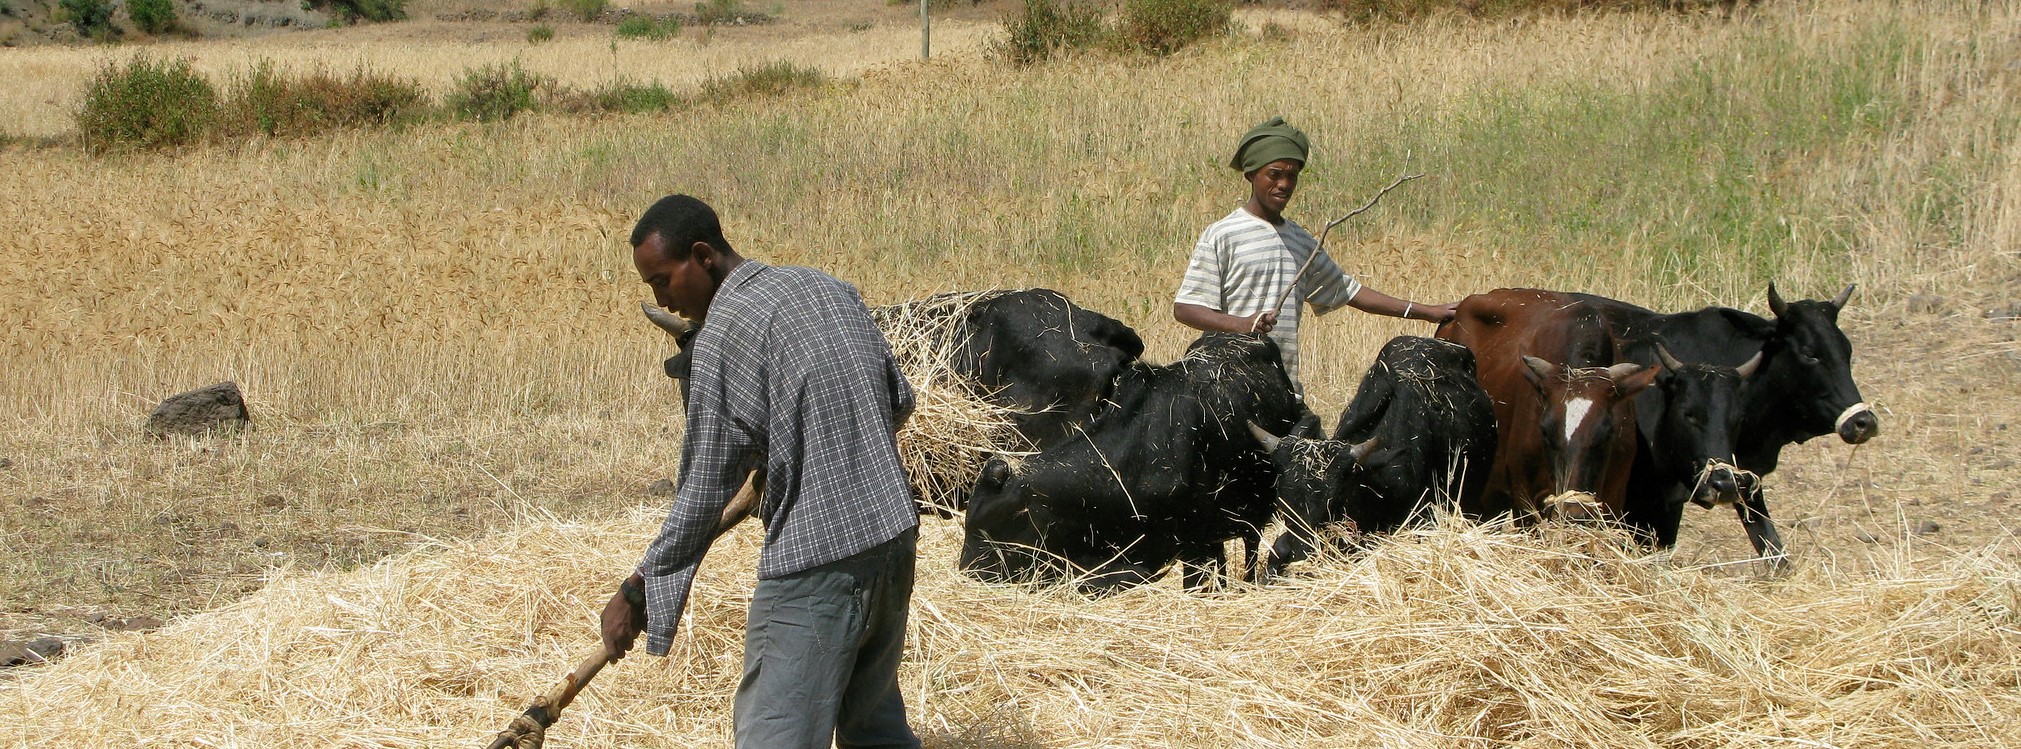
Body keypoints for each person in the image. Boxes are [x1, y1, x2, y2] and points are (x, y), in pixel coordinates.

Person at [600, 194, 923, 749]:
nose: (662, 299)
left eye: (661, 280)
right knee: (874, 729)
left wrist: (640, 586)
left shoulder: (723, 338)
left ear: (702, 256)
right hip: (893, 538)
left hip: (817, 565)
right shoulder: (826, 288)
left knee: (773, 735)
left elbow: (702, 493)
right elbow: (899, 400)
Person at [1174, 116, 1457, 392]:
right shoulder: (1223, 234)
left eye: (1292, 176)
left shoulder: (1301, 242)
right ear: (1251, 174)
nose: (1284, 184)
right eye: (1274, 174)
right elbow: (1186, 308)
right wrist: (1242, 325)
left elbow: (1348, 291)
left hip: (1282, 389)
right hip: (1225, 388)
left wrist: (1428, 312)